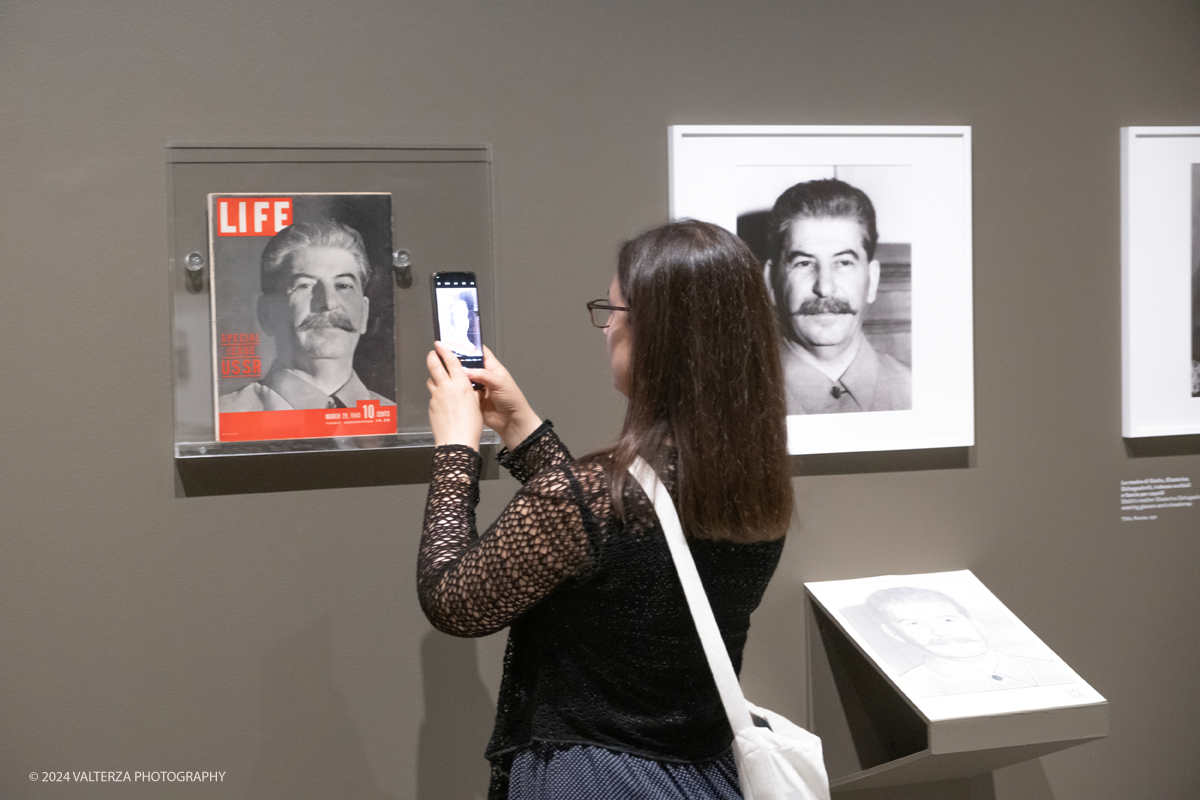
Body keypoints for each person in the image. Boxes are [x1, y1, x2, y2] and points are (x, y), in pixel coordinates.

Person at [418, 220, 794, 799]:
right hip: (703, 775)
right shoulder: (751, 482)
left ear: (657, 335)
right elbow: (613, 546)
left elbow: (454, 602)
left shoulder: (593, 499)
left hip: (594, 779)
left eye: (613, 310)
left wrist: (454, 450)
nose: (607, 328)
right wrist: (522, 427)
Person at [763, 178, 911, 414]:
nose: (825, 288)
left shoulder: (920, 395)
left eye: (843, 262)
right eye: (803, 263)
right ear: (771, 281)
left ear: (872, 280)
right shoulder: (728, 402)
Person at [219, 220, 395, 411]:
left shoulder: (396, 419)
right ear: (266, 314)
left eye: (343, 285)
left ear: (365, 312)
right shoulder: (225, 416)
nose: (328, 302)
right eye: (305, 286)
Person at [865, 587, 1072, 698]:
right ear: (895, 635)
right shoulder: (910, 690)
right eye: (915, 623)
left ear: (977, 624)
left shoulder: (1053, 671)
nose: (941, 631)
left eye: (947, 619)